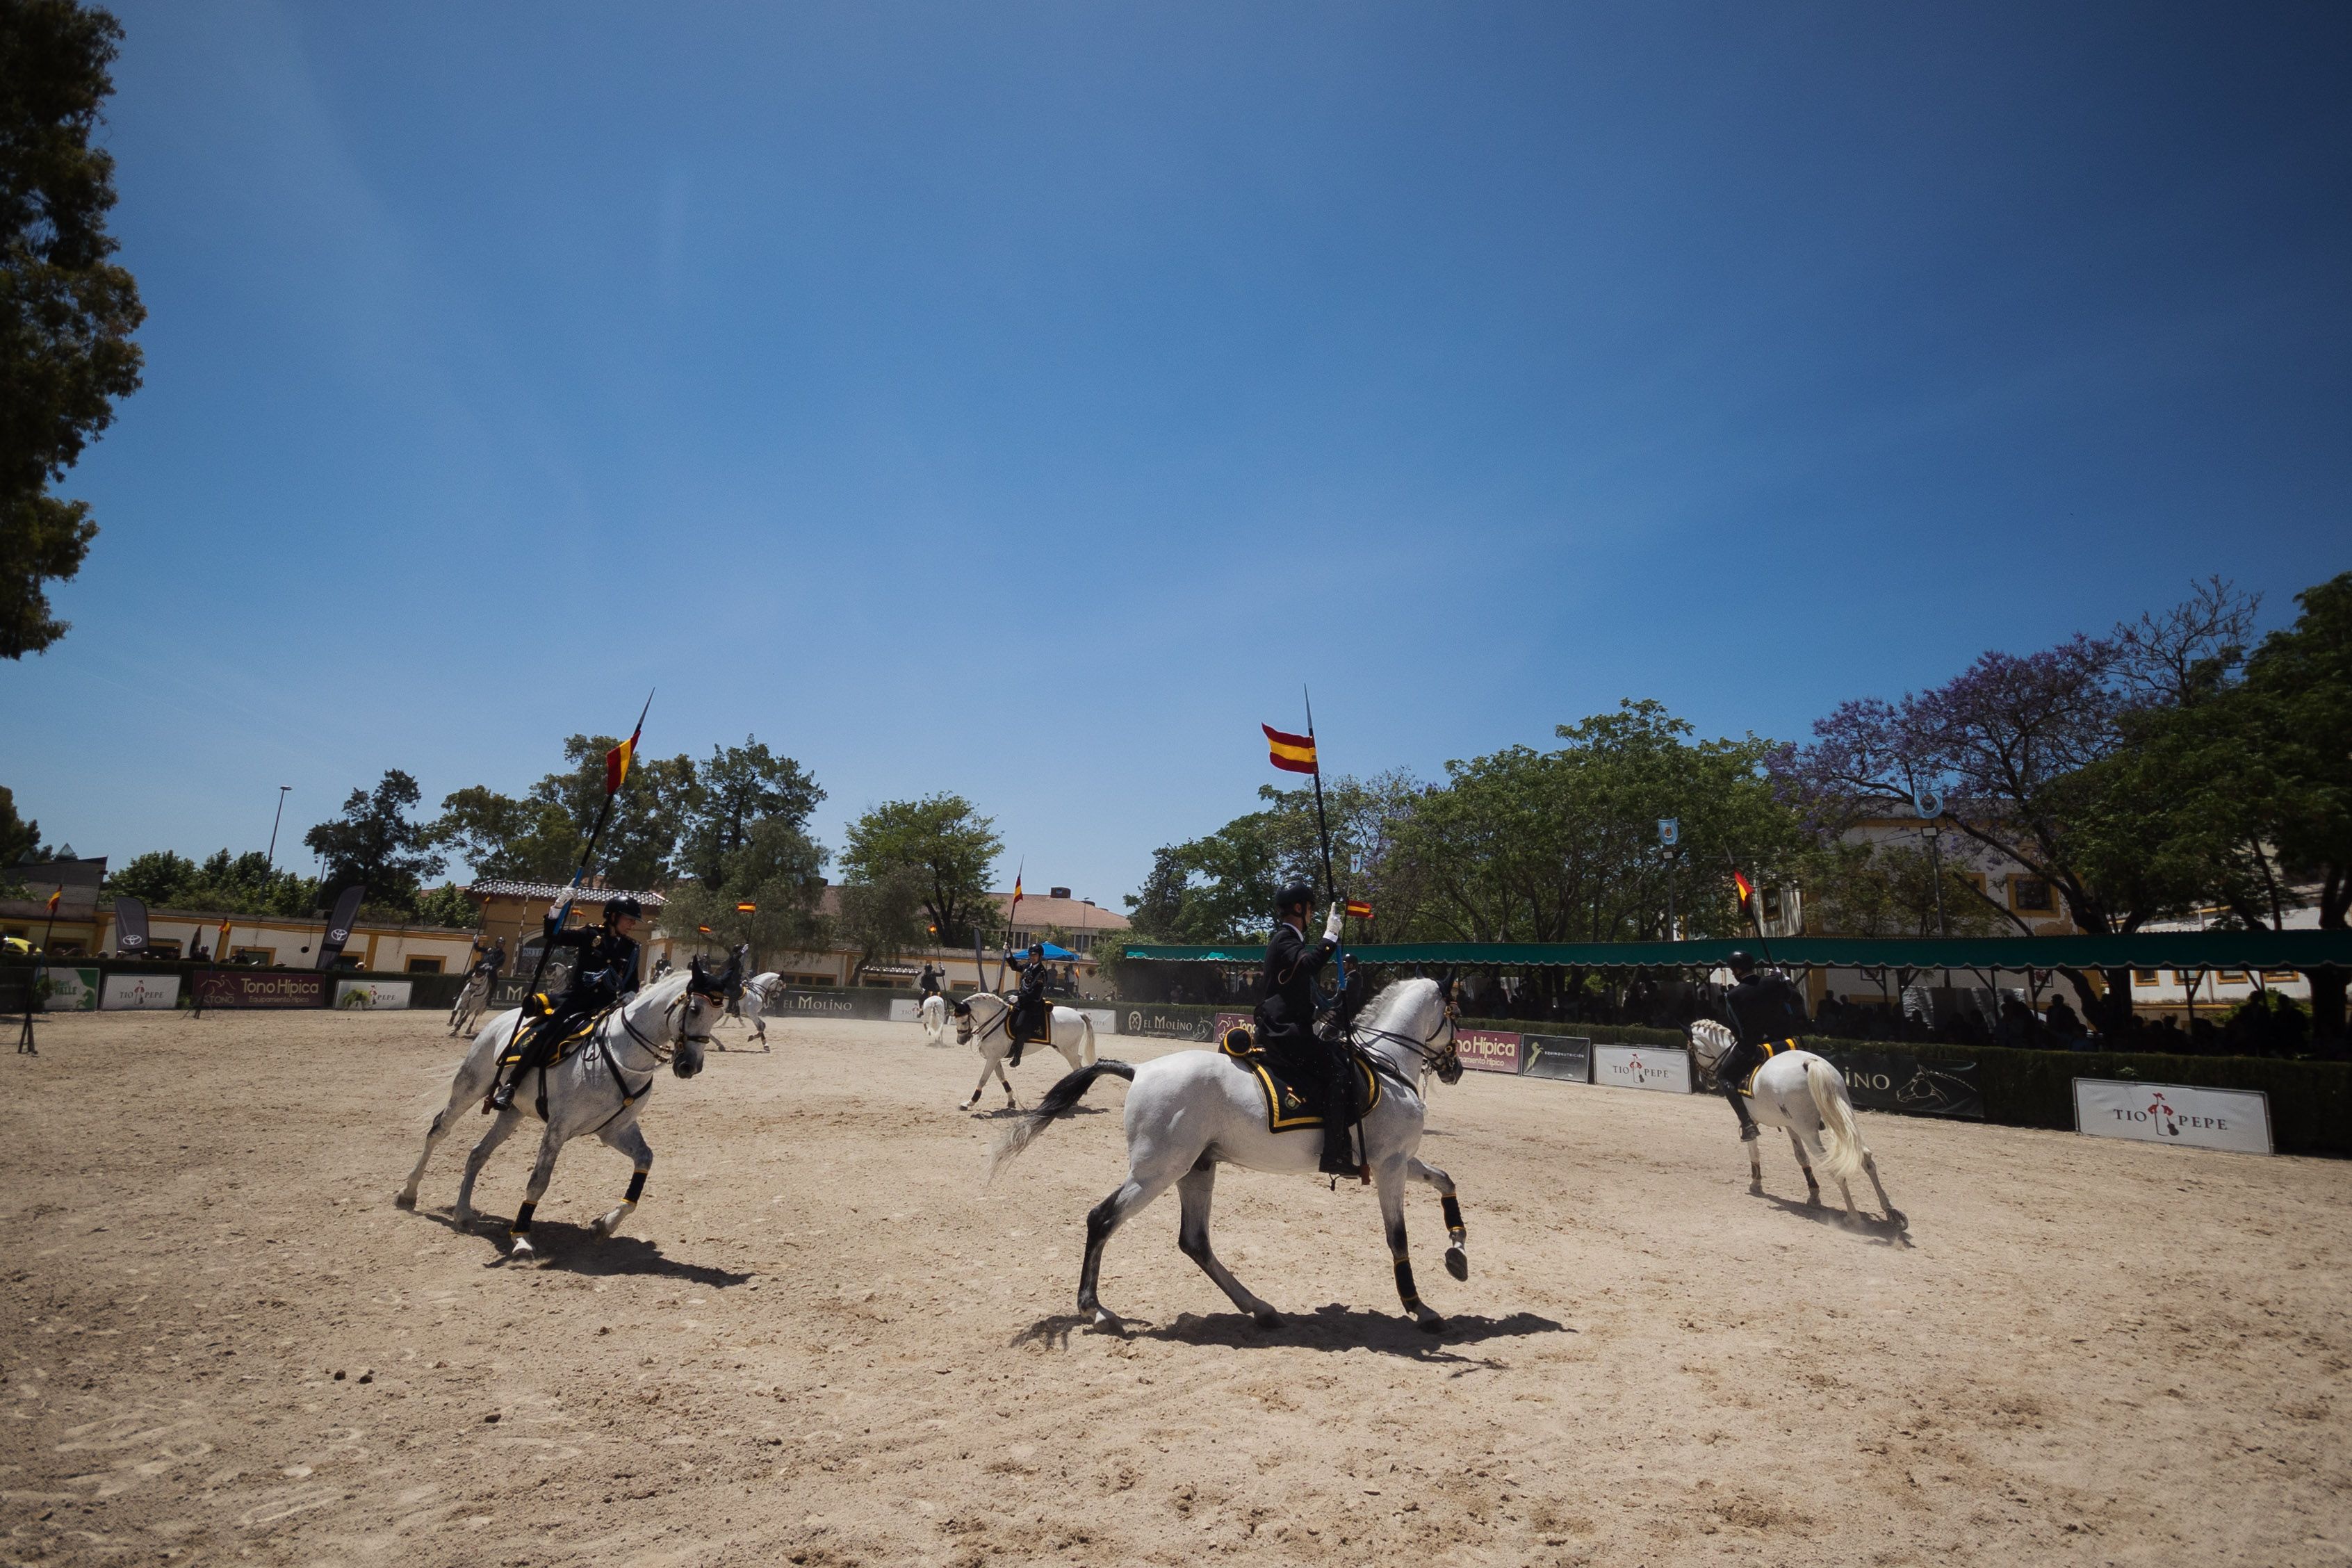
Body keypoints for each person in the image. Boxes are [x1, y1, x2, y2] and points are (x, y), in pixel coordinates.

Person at [487, 898, 644, 1113]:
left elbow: (632, 981)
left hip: (608, 1006)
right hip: (577, 1001)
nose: (632, 925)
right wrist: (557, 910)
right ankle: (511, 1085)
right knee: (547, 1034)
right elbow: (554, 936)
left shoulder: (631, 947)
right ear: (614, 916)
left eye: (634, 922)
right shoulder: (591, 935)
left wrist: (631, 994)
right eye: (629, 919)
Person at [1253, 881, 1355, 1177]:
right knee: (1338, 1074)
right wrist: (1331, 935)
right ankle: (1335, 1153)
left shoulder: (1287, 940)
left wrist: (1325, 1008)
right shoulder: (1285, 939)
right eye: (1310, 908)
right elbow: (1310, 964)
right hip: (1284, 1031)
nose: (1312, 914)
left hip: (1288, 1024)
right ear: (1299, 908)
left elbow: (1294, 986)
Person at [1714, 950, 1809, 1141]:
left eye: (1733, 969)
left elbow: (1737, 1028)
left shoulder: (1732, 995)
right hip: (1788, 1043)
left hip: (1758, 1048)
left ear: (1738, 970)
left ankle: (1747, 1124)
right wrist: (1786, 980)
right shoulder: (1773, 982)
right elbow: (1797, 1001)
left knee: (1724, 1076)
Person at [1004, 942, 1050, 1067]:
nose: (1032, 957)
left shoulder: (1041, 972)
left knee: (1019, 1025)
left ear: (1040, 956)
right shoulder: (1028, 967)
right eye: (1030, 955)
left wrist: (1018, 999)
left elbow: (1035, 995)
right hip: (1021, 1000)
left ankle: (1017, 1056)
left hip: (1032, 1004)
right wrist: (1008, 952)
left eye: (1035, 955)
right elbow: (1015, 967)